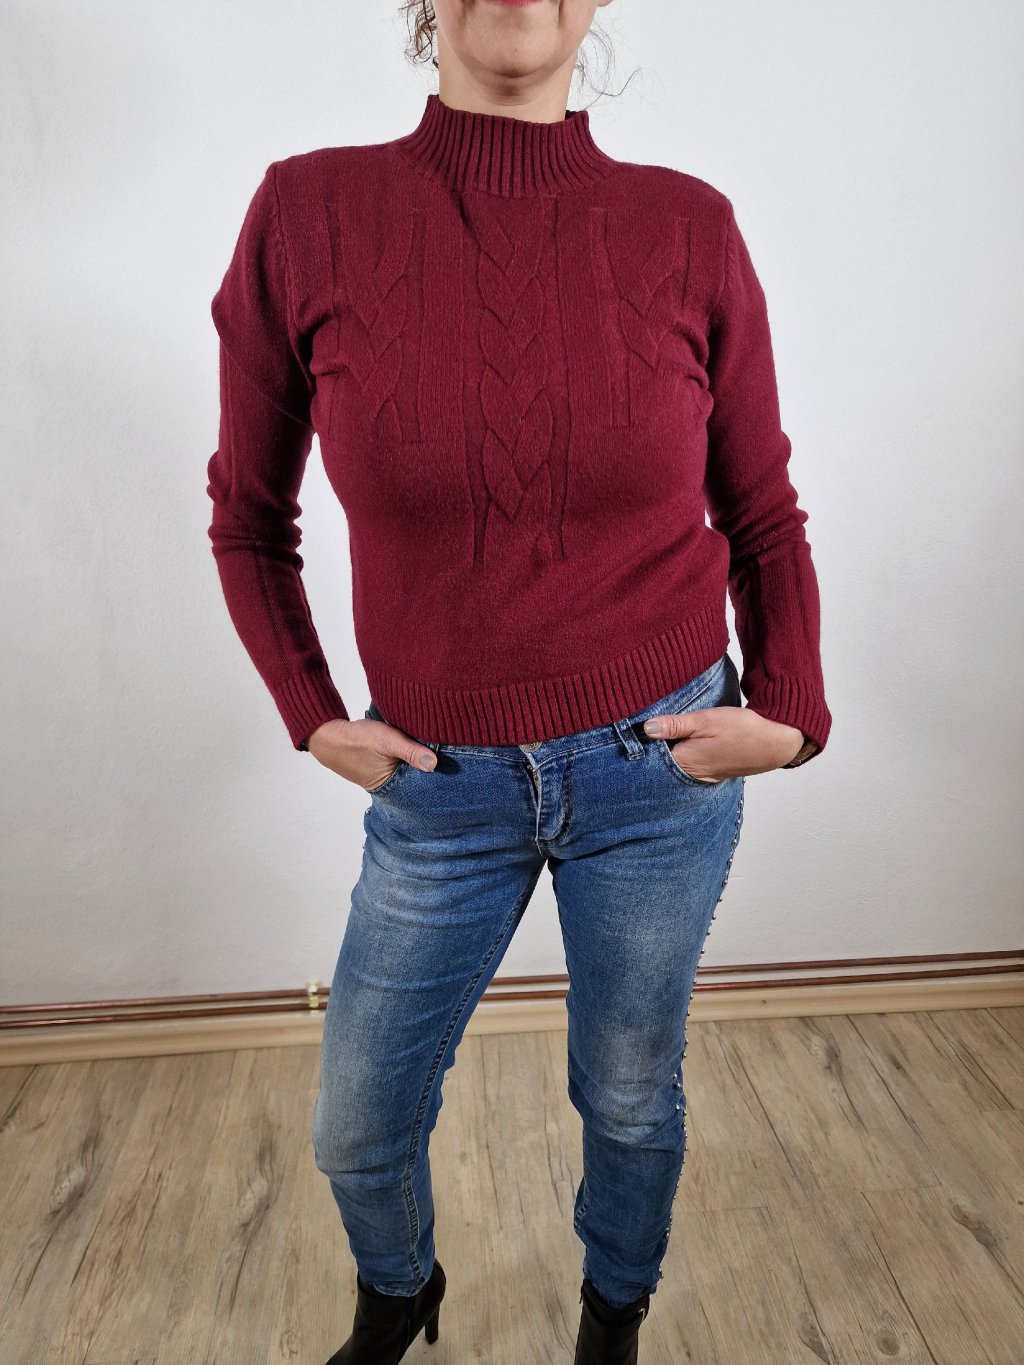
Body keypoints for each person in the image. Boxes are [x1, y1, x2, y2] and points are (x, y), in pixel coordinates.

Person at [206, 3, 831, 1361]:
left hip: (655, 771)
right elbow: (248, 516)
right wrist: (311, 714)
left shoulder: (688, 227)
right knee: (358, 1121)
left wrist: (791, 711)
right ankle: (398, 1289)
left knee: (629, 1097)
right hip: (438, 787)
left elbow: (763, 510)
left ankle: (614, 1314)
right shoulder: (308, 216)